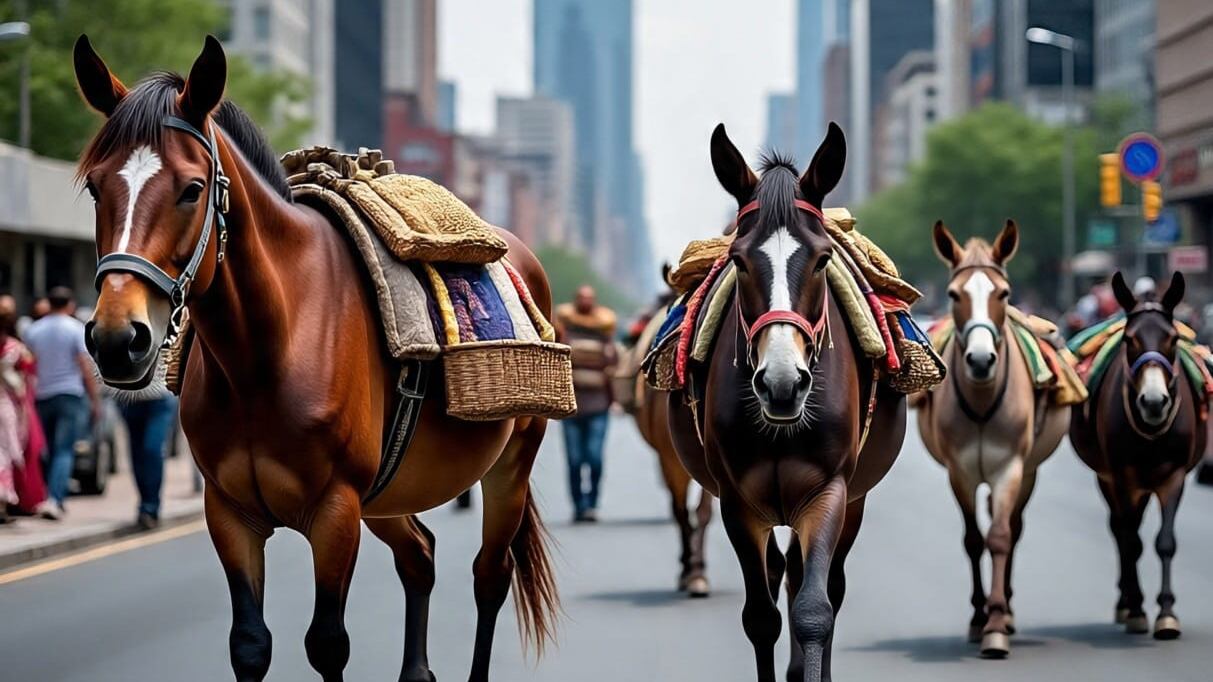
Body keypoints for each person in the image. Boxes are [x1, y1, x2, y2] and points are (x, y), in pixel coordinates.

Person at [23, 287, 99, 519]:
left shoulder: (33, 331)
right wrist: (95, 399)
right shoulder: (76, 329)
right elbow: (84, 366)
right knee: (64, 449)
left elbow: (29, 364)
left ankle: (44, 496)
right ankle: (55, 499)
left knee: (46, 449)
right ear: (70, 305)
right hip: (70, 395)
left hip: (42, 395)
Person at [554, 285, 617, 523]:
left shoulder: (604, 332)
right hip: (571, 407)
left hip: (599, 407)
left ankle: (592, 502)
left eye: (589, 298)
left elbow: (612, 369)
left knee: (594, 457)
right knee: (574, 460)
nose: (585, 301)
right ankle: (579, 506)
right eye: (582, 297)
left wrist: (615, 401)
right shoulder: (565, 332)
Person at [0, 295, 47, 520]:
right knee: (9, 452)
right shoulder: (15, 347)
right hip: (9, 406)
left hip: (11, 404)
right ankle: (5, 500)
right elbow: (27, 372)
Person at [120, 391, 179, 530]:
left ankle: (151, 506)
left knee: (152, 449)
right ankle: (145, 502)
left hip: (159, 397)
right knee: (137, 454)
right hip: (129, 397)